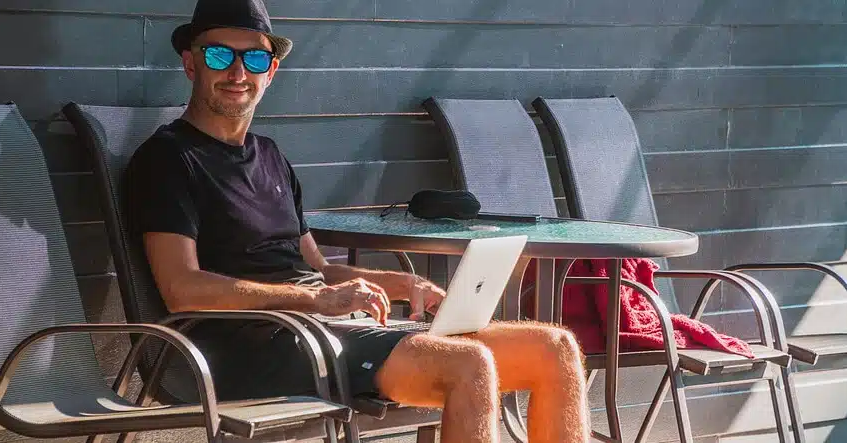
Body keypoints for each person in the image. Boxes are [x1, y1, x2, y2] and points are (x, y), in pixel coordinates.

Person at [124, 1, 589, 441]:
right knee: (468, 365)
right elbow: (181, 287)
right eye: (220, 54)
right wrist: (316, 301)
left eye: (254, 60)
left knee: (556, 349)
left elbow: (321, 271)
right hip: (253, 348)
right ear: (191, 63)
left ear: (272, 71)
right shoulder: (168, 160)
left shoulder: (269, 156)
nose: (238, 72)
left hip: (325, 331)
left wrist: (402, 284)